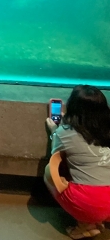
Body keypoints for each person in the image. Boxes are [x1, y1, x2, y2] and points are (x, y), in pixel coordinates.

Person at [45, 85, 110, 239]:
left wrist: (55, 130)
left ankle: (85, 224)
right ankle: (100, 217)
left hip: (88, 202)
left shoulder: (65, 132)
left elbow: (56, 155)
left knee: (49, 172)